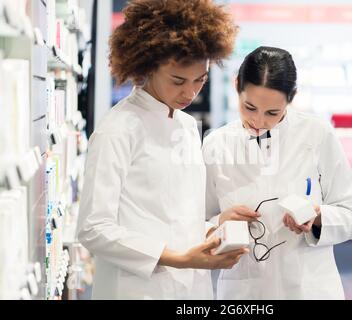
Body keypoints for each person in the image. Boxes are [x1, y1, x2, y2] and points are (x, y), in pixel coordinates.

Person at [76, 0, 247, 300]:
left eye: (200, 80)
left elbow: (177, 215)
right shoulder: (117, 129)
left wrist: (214, 227)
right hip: (137, 288)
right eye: (178, 80)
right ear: (149, 65)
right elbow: (93, 228)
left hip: (191, 288)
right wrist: (178, 259)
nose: (190, 92)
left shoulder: (186, 126)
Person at [203, 46, 352, 299]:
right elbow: (195, 223)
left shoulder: (317, 135)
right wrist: (220, 223)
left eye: (272, 113)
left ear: (292, 97)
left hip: (308, 287)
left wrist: (318, 217)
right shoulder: (216, 145)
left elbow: (350, 216)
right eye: (249, 107)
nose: (259, 121)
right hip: (245, 291)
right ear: (236, 86)